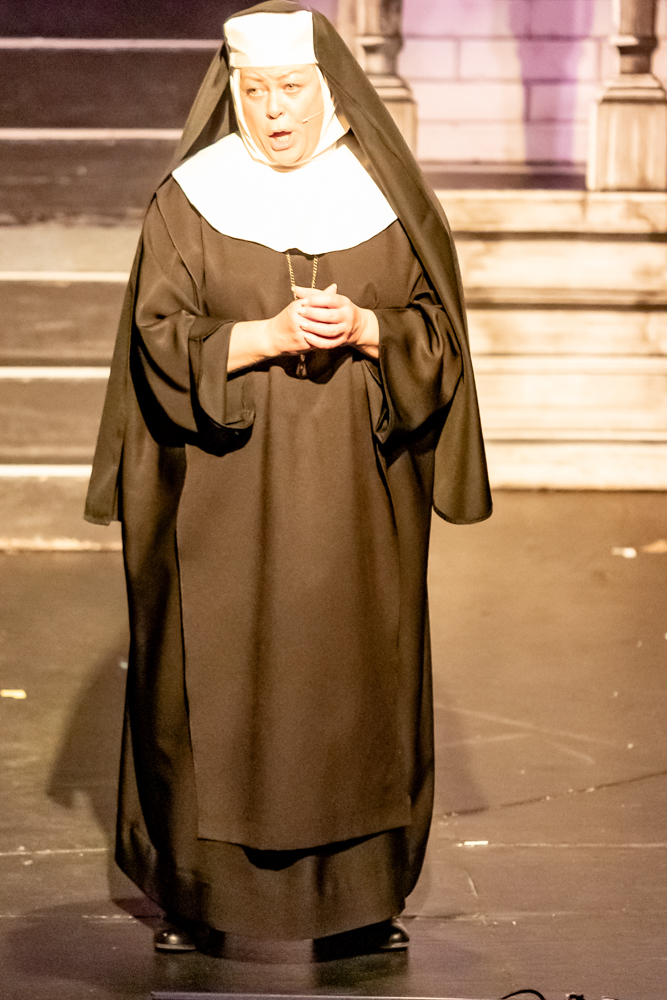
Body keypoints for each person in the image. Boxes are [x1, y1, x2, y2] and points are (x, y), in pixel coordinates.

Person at [85, 0, 492, 956]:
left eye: (293, 90)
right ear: (233, 92)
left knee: (354, 685)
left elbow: (437, 335)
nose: (274, 112)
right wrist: (257, 338)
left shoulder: (382, 197)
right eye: (257, 91)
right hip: (219, 495)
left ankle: (358, 901)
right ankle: (201, 894)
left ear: (329, 92)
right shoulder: (191, 199)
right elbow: (155, 338)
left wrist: (370, 329)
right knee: (210, 684)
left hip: (356, 498)